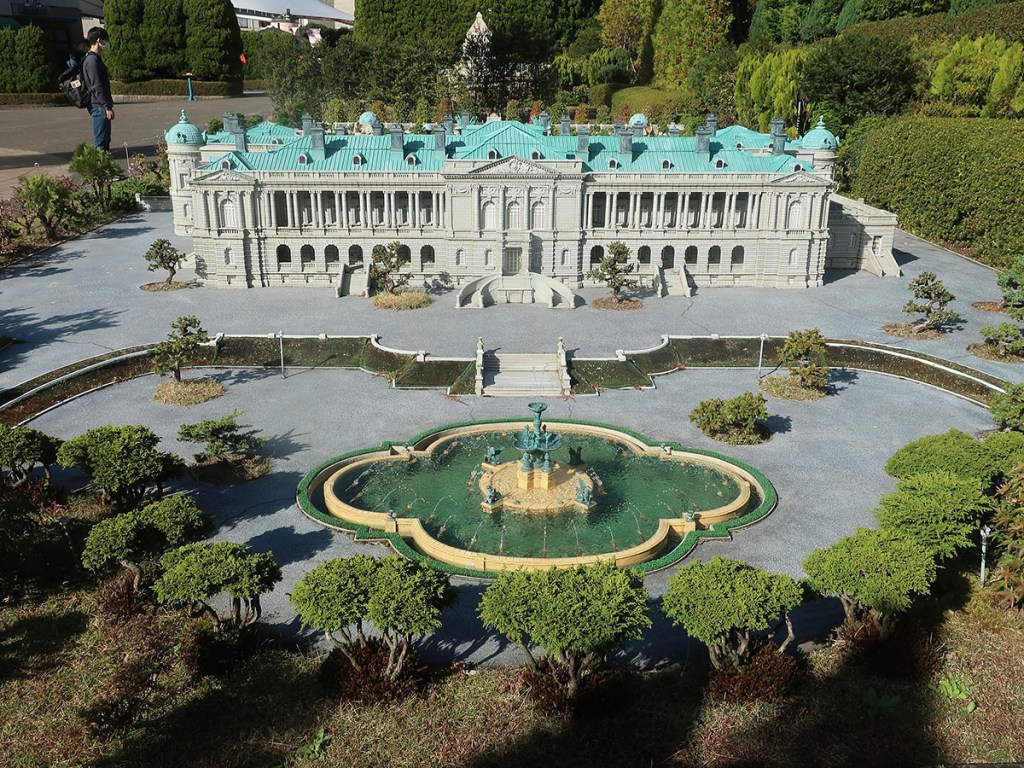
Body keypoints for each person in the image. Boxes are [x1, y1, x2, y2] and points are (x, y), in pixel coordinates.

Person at [81, 27, 114, 151]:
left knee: (105, 140)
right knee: (101, 141)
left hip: (99, 105)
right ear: (99, 40)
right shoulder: (92, 60)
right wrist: (107, 106)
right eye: (106, 40)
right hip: (98, 106)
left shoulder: (93, 58)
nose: (107, 43)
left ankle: (104, 161)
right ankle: (98, 162)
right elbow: (96, 85)